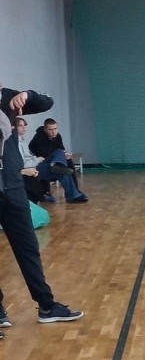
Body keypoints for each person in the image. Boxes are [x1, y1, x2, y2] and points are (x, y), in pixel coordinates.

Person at [0, 83, 84, 332]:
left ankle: (47, 306)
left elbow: (46, 101)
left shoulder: (8, 98)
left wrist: (27, 95)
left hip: (12, 188)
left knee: (28, 248)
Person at [29, 117, 88, 203]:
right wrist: (60, 154)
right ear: (45, 130)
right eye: (50, 129)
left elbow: (62, 149)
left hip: (52, 162)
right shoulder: (39, 137)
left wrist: (66, 154)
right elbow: (44, 154)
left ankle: (74, 193)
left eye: (55, 129)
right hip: (40, 163)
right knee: (60, 156)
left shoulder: (58, 136)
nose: (54, 132)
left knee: (66, 164)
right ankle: (72, 194)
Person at [14, 116, 53, 203]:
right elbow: (23, 162)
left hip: (33, 163)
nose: (24, 127)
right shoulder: (16, 143)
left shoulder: (23, 141)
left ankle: (58, 164)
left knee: (60, 155)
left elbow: (28, 157)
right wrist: (37, 160)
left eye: (24, 125)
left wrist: (37, 159)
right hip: (30, 166)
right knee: (57, 164)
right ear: (14, 127)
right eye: (20, 125)